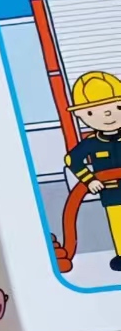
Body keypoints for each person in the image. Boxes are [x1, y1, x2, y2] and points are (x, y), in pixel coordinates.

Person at [66, 71, 121, 271]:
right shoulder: (91, 143)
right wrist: (89, 180)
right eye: (92, 112)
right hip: (112, 193)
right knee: (118, 223)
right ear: (80, 115)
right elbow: (72, 159)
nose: (108, 115)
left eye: (117, 107)